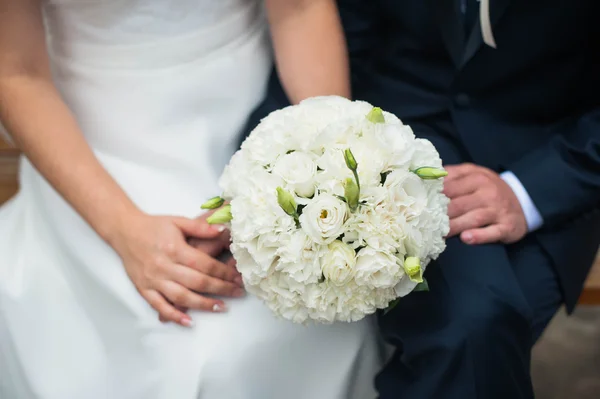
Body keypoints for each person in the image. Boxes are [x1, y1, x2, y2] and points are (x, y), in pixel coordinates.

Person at [0, 0, 382, 398]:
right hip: (95, 148)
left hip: (254, 119)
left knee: (322, 322)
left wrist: (319, 168)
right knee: (198, 349)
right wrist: (124, 230)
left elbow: (299, 11)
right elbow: (17, 74)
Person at [246, 0, 600, 397]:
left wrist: (528, 191)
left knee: (474, 330)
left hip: (551, 156)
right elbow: (333, 25)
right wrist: (270, 174)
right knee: (470, 333)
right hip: (399, 137)